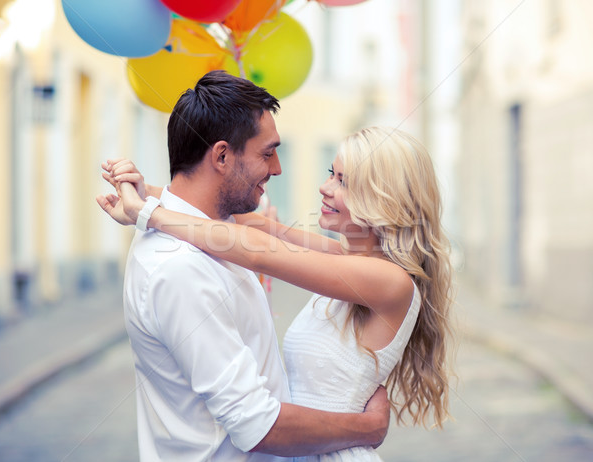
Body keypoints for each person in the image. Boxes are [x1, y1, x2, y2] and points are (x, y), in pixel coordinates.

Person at [98, 122, 455, 461]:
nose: (326, 187)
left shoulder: (389, 281)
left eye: (344, 182)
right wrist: (147, 192)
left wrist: (149, 214)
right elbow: (256, 226)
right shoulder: (350, 258)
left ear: (383, 198)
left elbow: (255, 249)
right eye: (332, 173)